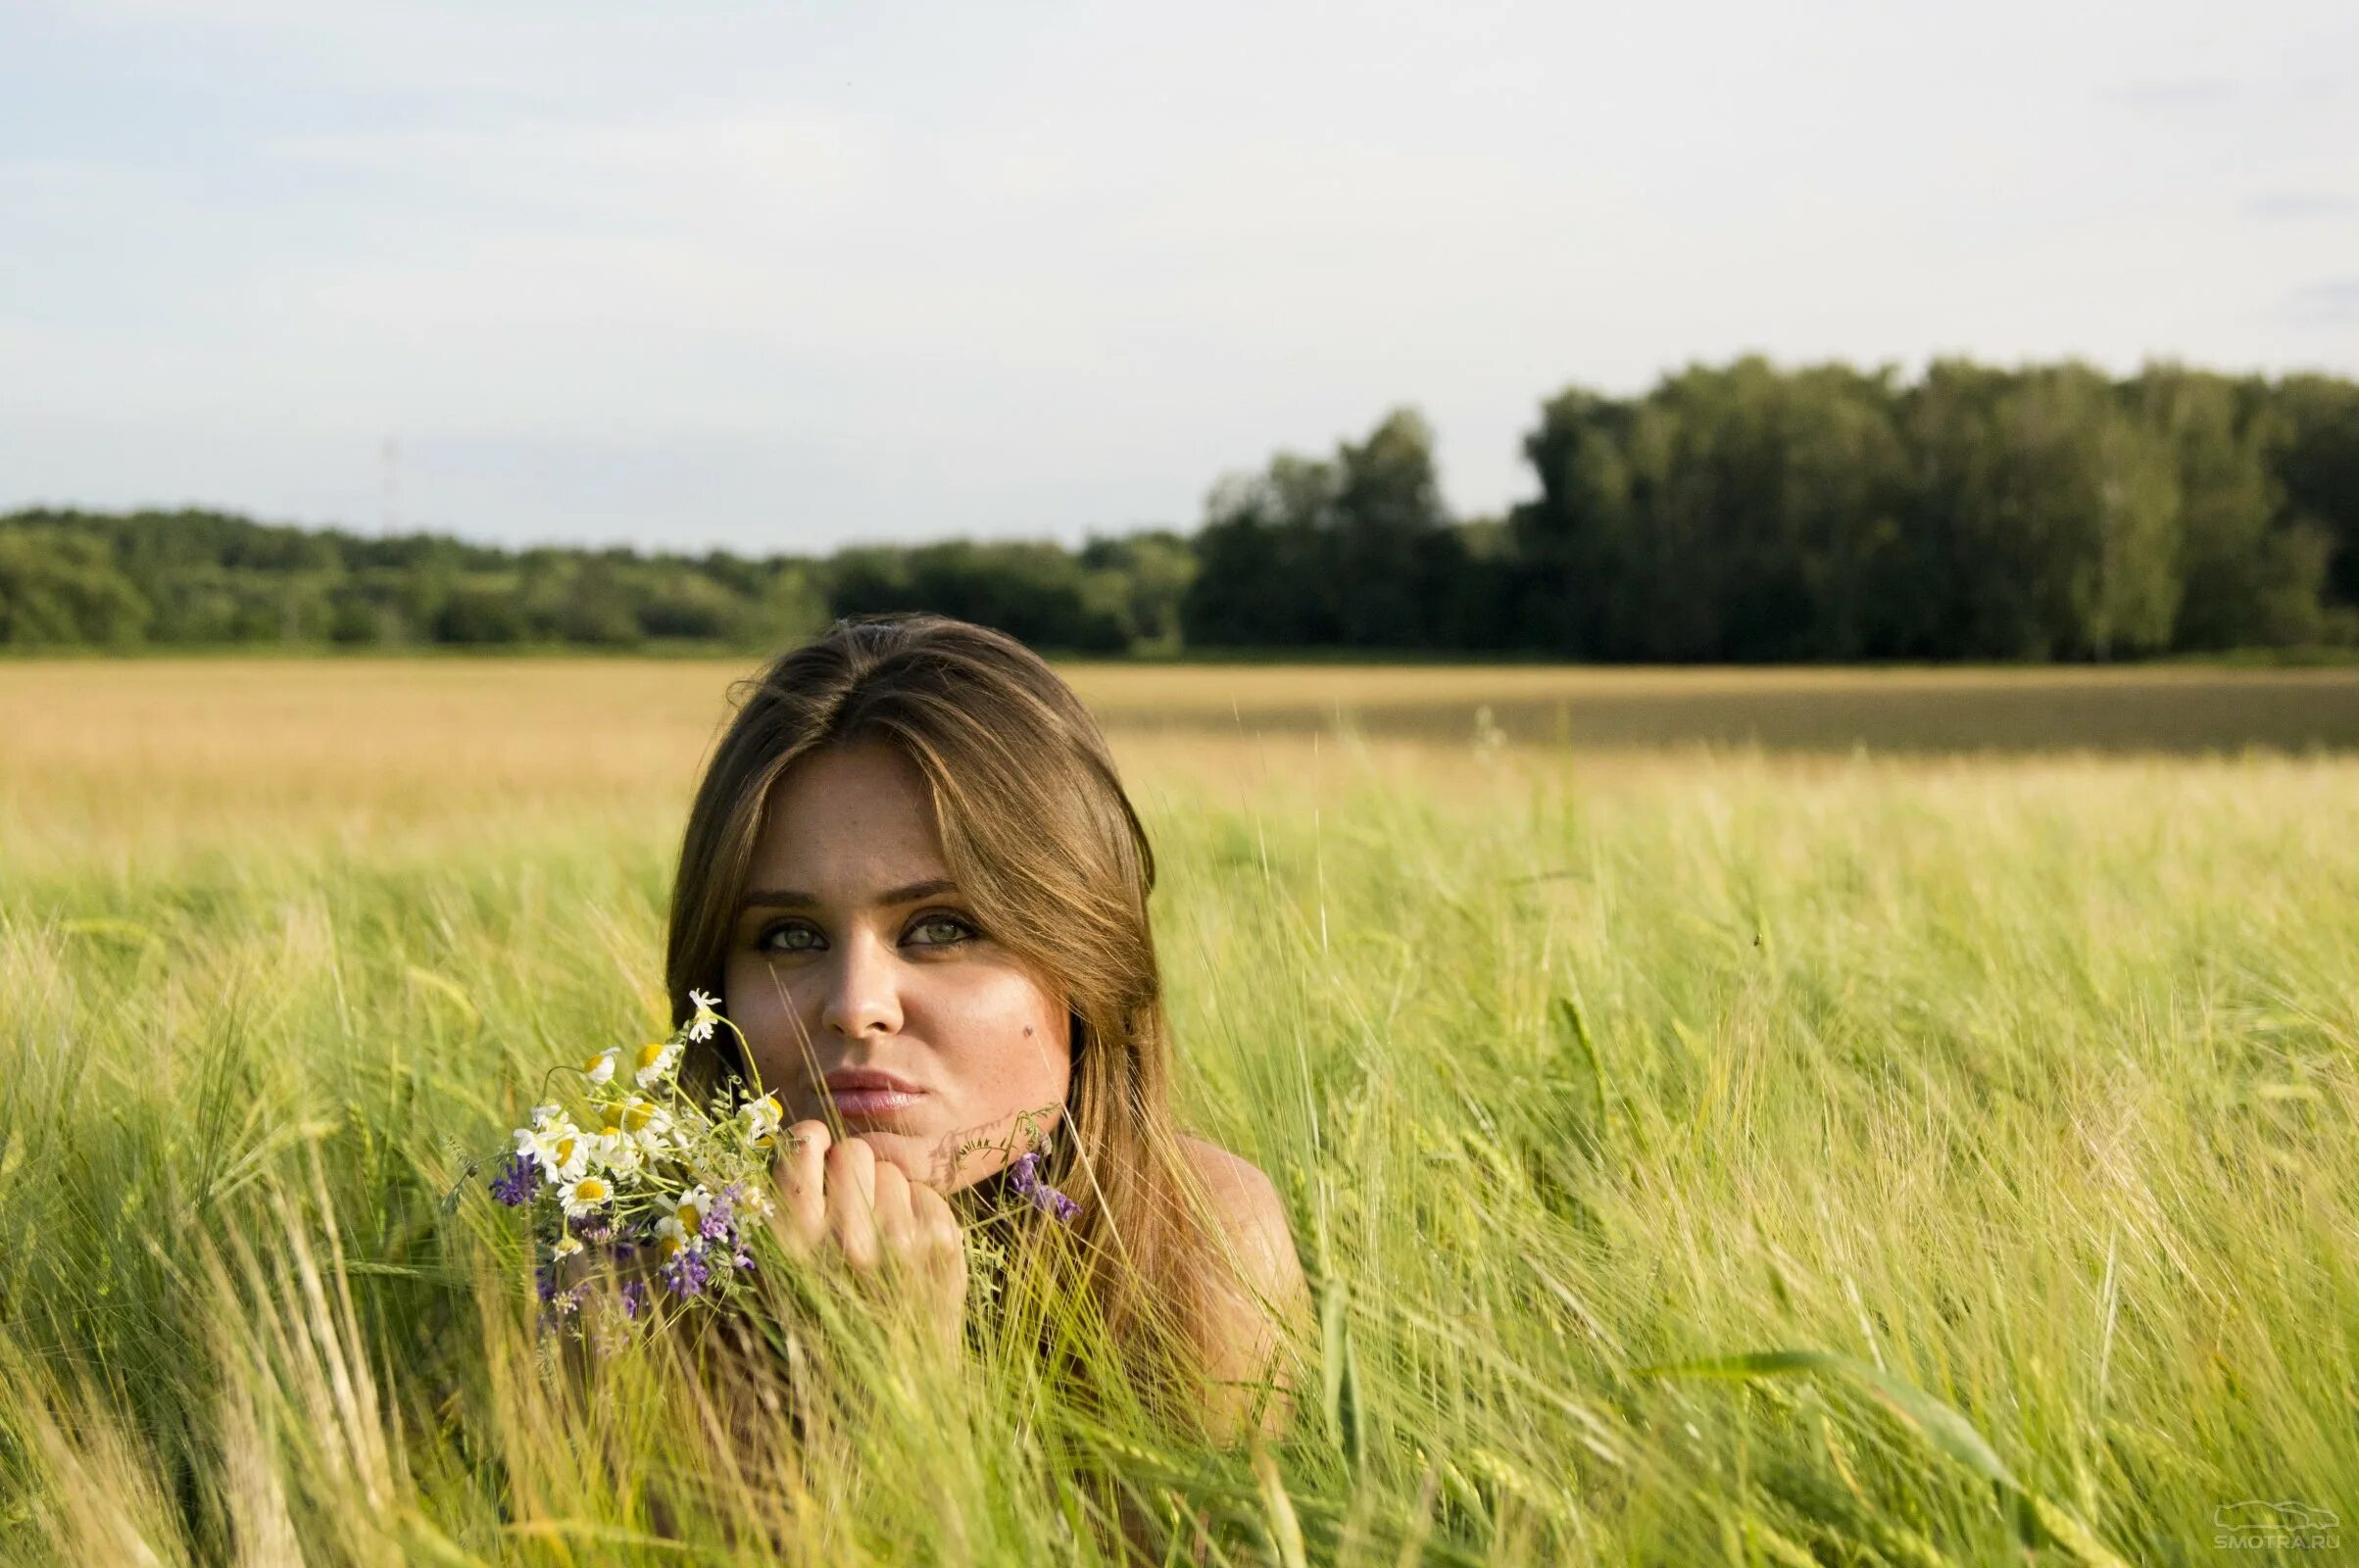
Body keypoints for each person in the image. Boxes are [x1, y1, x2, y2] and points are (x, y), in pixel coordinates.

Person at [661, 612, 1310, 1446]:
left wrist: (898, 1402)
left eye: (941, 928)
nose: (856, 1004)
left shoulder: (1197, 1244)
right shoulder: (631, 1275)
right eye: (790, 937)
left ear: (1085, 956)